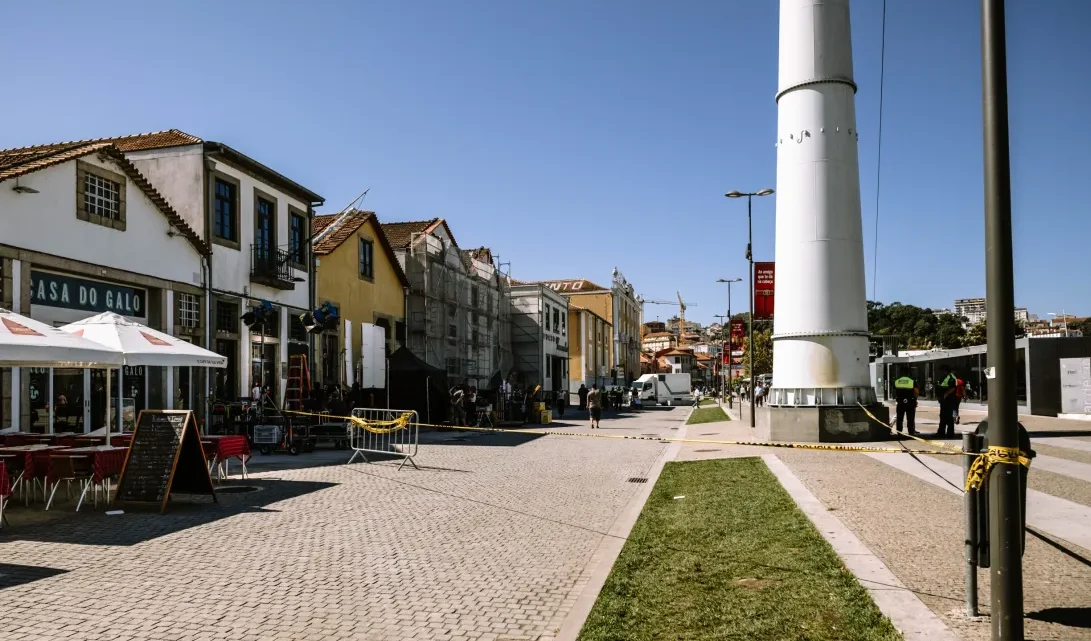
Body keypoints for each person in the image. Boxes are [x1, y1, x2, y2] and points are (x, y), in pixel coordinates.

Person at [892, 369, 918, 435]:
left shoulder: (897, 381)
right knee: (910, 419)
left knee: (899, 419)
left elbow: (894, 392)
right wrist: (915, 399)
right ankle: (911, 433)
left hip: (900, 402)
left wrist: (897, 397)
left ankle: (899, 432)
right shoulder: (912, 381)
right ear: (908, 374)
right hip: (910, 402)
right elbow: (916, 391)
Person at [936, 365, 958, 437]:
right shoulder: (945, 377)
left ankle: (950, 433)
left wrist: (945, 394)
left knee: (948, 417)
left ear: (945, 370)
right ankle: (941, 432)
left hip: (949, 400)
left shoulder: (951, 377)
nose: (941, 372)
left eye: (942, 370)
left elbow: (952, 388)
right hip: (944, 400)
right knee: (943, 416)